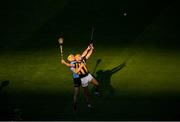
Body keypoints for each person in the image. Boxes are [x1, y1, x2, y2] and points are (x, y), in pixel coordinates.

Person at [61, 46, 92, 112]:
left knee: (86, 92)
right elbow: (70, 66)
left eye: (73, 56)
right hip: (77, 79)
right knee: (76, 93)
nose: (73, 57)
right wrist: (64, 63)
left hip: (83, 77)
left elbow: (83, 55)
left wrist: (87, 48)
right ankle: (75, 104)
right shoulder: (72, 64)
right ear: (70, 60)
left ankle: (88, 103)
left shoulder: (77, 60)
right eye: (72, 57)